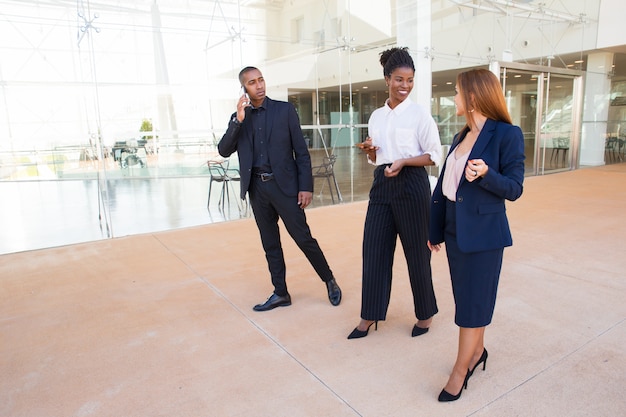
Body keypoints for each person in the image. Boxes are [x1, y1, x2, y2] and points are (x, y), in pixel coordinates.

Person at [428, 68, 525, 402]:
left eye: (456, 92)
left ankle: (460, 369)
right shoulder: (461, 135)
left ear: (472, 96)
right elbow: (444, 187)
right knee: (468, 299)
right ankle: (478, 351)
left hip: (484, 234)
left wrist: (486, 174)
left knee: (471, 304)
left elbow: (514, 188)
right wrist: (435, 227)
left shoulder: (507, 135)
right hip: (455, 228)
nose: (453, 98)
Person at [218, 66, 342, 311]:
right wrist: (238, 120)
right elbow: (223, 150)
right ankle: (280, 293)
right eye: (252, 82)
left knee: (303, 238)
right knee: (270, 244)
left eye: (261, 80)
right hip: (257, 189)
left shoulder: (284, 110)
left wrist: (305, 187)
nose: (259, 85)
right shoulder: (240, 118)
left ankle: (329, 280)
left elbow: (301, 153)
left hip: (284, 187)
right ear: (244, 88)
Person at [347, 47, 441, 339]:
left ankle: (425, 315)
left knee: (417, 253)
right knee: (373, 249)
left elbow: (434, 155)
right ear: (387, 78)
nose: (405, 86)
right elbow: (377, 158)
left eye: (410, 80)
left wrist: (403, 161)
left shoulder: (419, 115)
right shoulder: (376, 116)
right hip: (382, 184)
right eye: (399, 79)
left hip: (413, 183)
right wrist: (371, 151)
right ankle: (370, 315)